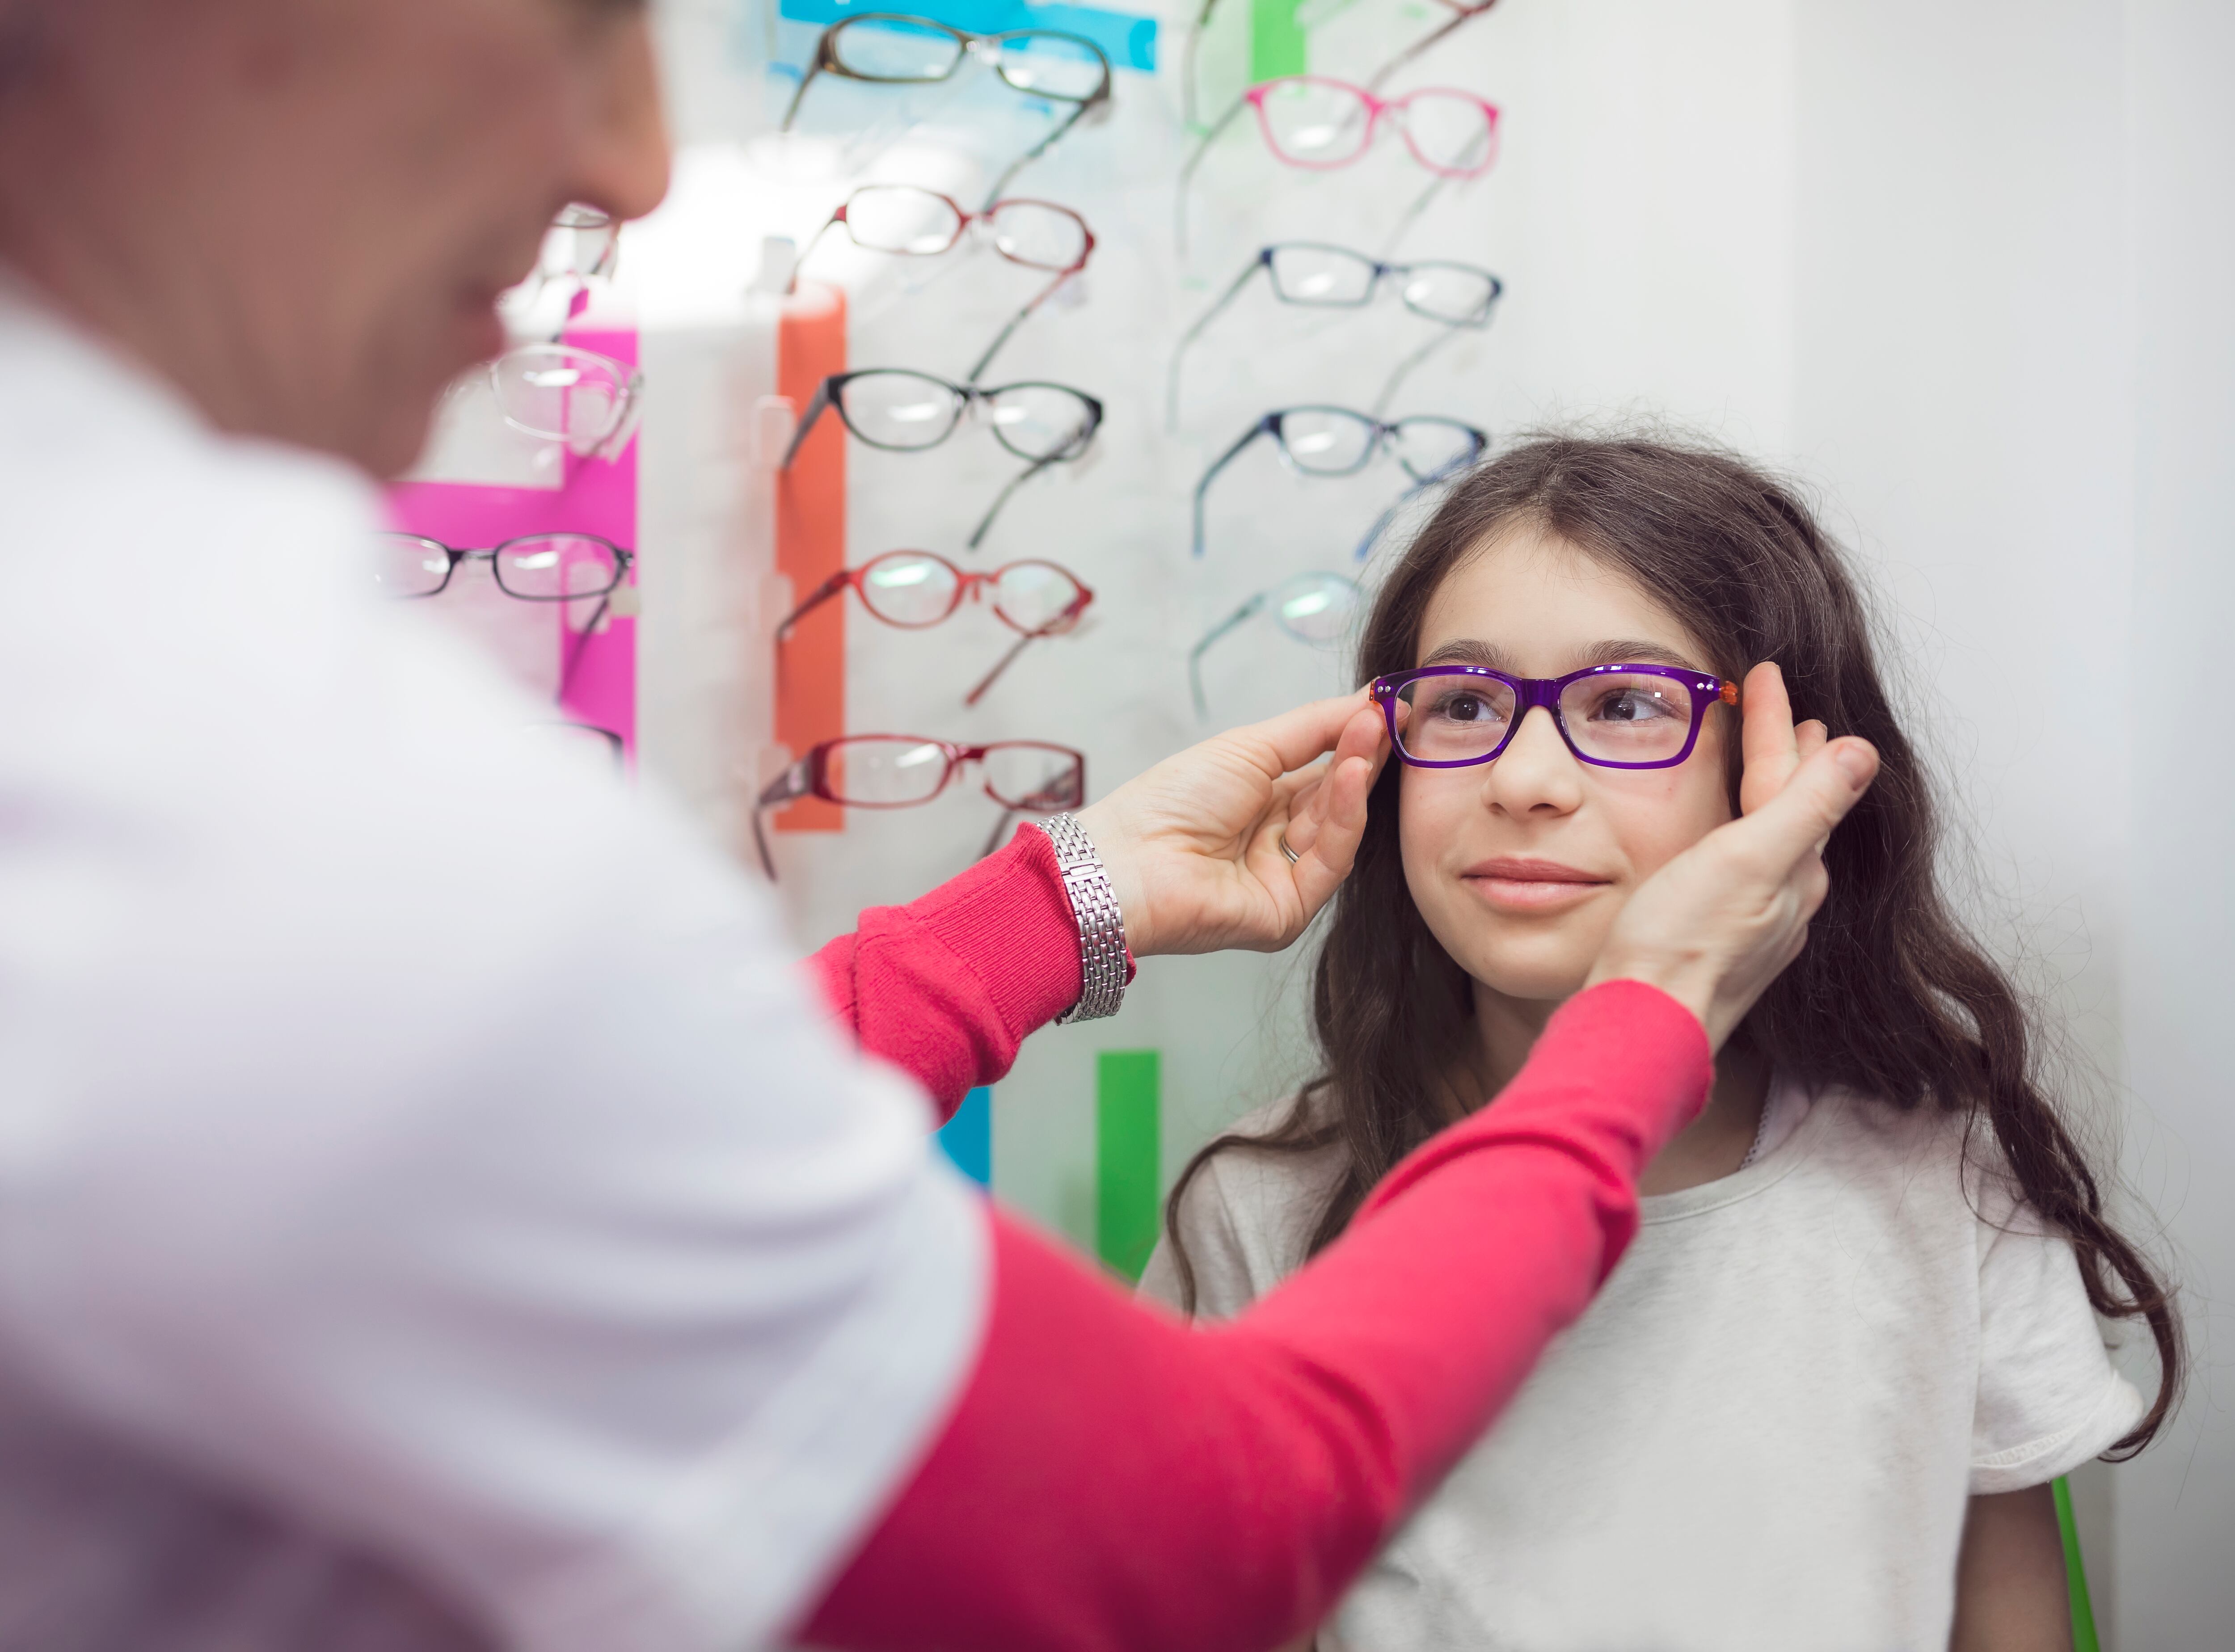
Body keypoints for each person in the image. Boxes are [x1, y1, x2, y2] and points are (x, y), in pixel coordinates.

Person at [0, 4, 1881, 1649]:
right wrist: (1645, 1018)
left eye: (1626, 708)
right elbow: (1190, 1542)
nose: (638, 166)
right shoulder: (254, 785)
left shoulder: (160, 712)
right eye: (579, 13)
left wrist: (1060, 902)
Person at [1143, 436, 2182, 1652]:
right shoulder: (1267, 1202)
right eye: (1465, 703)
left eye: (1627, 704)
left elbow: (2010, 1617)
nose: (1525, 778)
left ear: (1777, 776)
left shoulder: (1939, 1180)